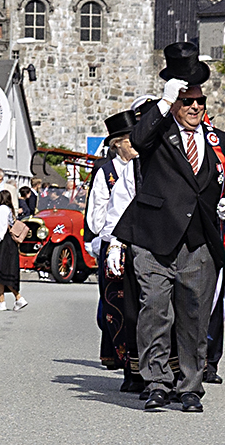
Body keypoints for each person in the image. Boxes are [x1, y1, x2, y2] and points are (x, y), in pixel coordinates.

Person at [111, 41, 225, 413]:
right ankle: (156, 381)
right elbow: (136, 142)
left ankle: (189, 386)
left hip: (198, 239)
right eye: (188, 101)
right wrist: (164, 105)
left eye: (200, 102)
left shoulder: (219, 140)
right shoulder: (156, 130)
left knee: (193, 316)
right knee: (154, 310)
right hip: (154, 236)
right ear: (175, 101)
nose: (195, 108)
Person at [87, 107, 142, 390]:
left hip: (142, 242)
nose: (136, 144)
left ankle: (144, 365)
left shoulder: (146, 165)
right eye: (130, 140)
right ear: (117, 143)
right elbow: (95, 216)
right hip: (114, 242)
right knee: (116, 305)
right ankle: (125, 362)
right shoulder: (105, 172)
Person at [0, 186, 26, 312]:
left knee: (1, 271)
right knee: (4, 271)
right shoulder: (9, 209)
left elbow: (0, 226)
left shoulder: (1, 209)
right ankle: (4, 299)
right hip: (8, 243)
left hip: (2, 243)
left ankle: (12, 299)